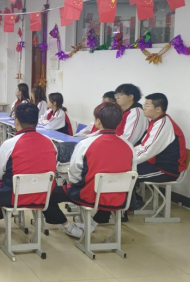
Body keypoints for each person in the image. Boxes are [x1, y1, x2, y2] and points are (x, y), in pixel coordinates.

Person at [43, 102, 134, 238]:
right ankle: (93, 224)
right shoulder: (129, 146)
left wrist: (74, 184)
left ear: (98, 121)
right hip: (119, 197)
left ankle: (68, 227)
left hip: (89, 195)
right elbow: (132, 174)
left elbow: (74, 174)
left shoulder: (86, 144)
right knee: (108, 192)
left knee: (46, 195)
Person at [0, 103, 57, 219]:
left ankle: (0, 214)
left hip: (15, 196)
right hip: (43, 194)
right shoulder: (50, 142)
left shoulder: (10, 144)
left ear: (16, 121)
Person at [130, 93, 188, 210]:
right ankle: (133, 203)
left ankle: (130, 206)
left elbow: (147, 151)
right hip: (154, 164)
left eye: (147, 106)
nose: (144, 108)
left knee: (128, 174)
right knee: (125, 169)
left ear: (158, 109)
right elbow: (143, 146)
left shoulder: (163, 124)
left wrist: (128, 160)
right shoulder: (156, 121)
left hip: (166, 170)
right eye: (144, 105)